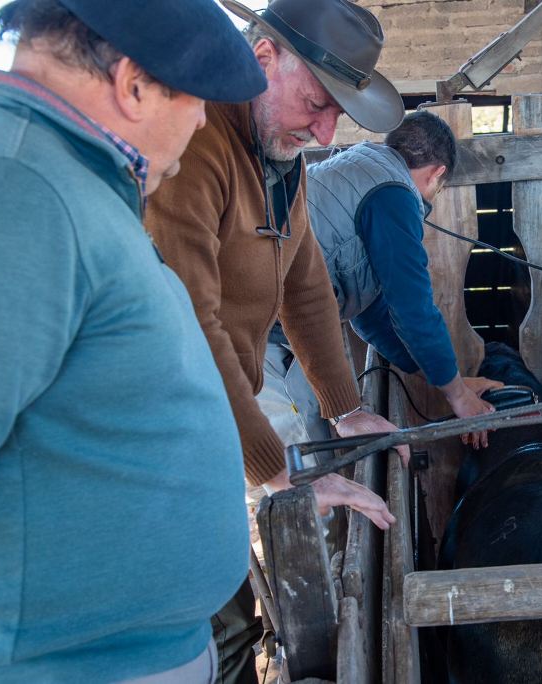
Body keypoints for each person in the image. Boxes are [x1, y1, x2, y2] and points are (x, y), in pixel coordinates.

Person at [0, 0, 266, 681]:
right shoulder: (9, 188)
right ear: (132, 85)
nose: (203, 122)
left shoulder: (64, 178)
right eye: (197, 101)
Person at [144, 0, 409, 680]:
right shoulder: (197, 145)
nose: (323, 131)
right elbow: (188, 324)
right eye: (315, 103)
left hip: (216, 412)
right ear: (262, 59)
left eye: (335, 117)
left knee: (230, 573)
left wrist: (345, 405)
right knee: (209, 606)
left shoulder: (277, 157)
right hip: (161, 423)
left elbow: (307, 286)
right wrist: (272, 470)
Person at [296, 111, 503, 449]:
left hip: (279, 323)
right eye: (439, 189)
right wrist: (459, 397)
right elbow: (413, 311)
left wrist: (452, 383)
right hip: (267, 331)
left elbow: (373, 315)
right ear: (438, 173)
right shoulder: (393, 194)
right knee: (297, 455)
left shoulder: (360, 166)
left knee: (311, 446)